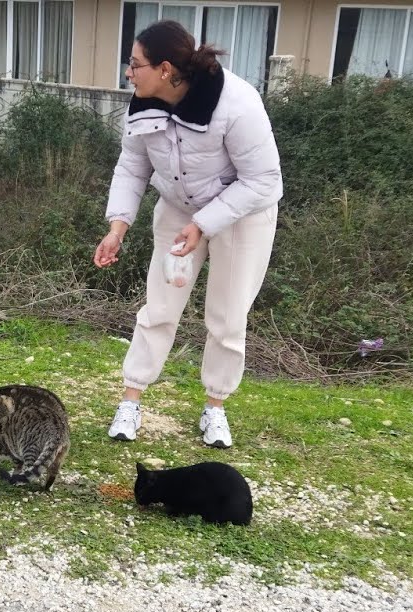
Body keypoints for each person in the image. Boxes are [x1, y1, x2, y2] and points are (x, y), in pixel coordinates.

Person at [95, 20, 282, 449]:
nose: (128, 72)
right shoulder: (142, 102)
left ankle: (215, 409)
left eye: (134, 63)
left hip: (243, 214)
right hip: (179, 208)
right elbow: (132, 166)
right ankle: (131, 400)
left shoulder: (236, 104)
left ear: (164, 69)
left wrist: (204, 224)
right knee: (159, 306)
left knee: (228, 317)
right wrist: (117, 228)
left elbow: (263, 180)